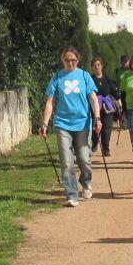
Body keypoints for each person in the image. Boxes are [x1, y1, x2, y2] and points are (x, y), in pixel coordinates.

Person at [39, 47, 102, 207]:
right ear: (63, 60)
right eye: (67, 60)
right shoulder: (57, 77)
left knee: (83, 157)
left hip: (82, 123)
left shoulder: (84, 76)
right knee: (67, 161)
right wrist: (45, 124)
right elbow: (50, 102)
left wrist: (97, 118)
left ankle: (86, 181)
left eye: (73, 60)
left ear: (78, 60)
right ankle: (72, 194)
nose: (70, 63)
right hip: (62, 124)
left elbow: (93, 99)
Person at [89, 55, 120, 157]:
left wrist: (120, 105)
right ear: (92, 67)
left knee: (107, 129)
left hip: (107, 108)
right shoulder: (90, 79)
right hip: (94, 108)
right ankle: (94, 142)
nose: (96, 67)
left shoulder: (107, 79)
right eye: (94, 65)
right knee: (95, 129)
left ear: (102, 66)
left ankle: (106, 149)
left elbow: (115, 93)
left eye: (98, 64)